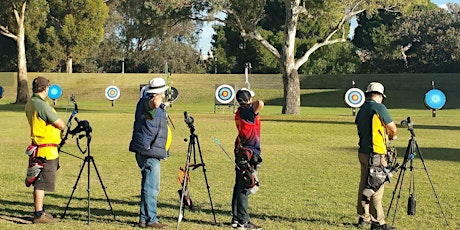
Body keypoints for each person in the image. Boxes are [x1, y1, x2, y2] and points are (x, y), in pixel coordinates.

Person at [129, 77, 172, 229]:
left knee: (148, 184)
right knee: (152, 187)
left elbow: (154, 110)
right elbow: (153, 104)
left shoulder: (149, 104)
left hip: (149, 148)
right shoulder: (149, 102)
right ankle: (151, 219)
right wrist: (158, 96)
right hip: (149, 150)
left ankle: (143, 218)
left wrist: (164, 104)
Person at [355, 82, 397, 230]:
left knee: (364, 184)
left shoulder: (362, 109)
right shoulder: (378, 107)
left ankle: (363, 216)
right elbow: (392, 127)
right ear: (379, 96)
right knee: (376, 187)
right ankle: (378, 222)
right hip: (376, 153)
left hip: (363, 152)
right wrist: (392, 135)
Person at [25, 76, 66, 224]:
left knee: (40, 181)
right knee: (41, 182)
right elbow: (60, 124)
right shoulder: (42, 105)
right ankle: (38, 214)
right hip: (45, 150)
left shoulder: (32, 102)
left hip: (39, 147)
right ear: (45, 88)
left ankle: (40, 210)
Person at [231, 88, 264, 230]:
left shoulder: (241, 112)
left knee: (239, 186)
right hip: (248, 153)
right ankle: (243, 221)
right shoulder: (246, 112)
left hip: (243, 152)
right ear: (248, 100)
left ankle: (236, 218)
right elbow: (260, 103)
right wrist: (250, 103)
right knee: (245, 187)